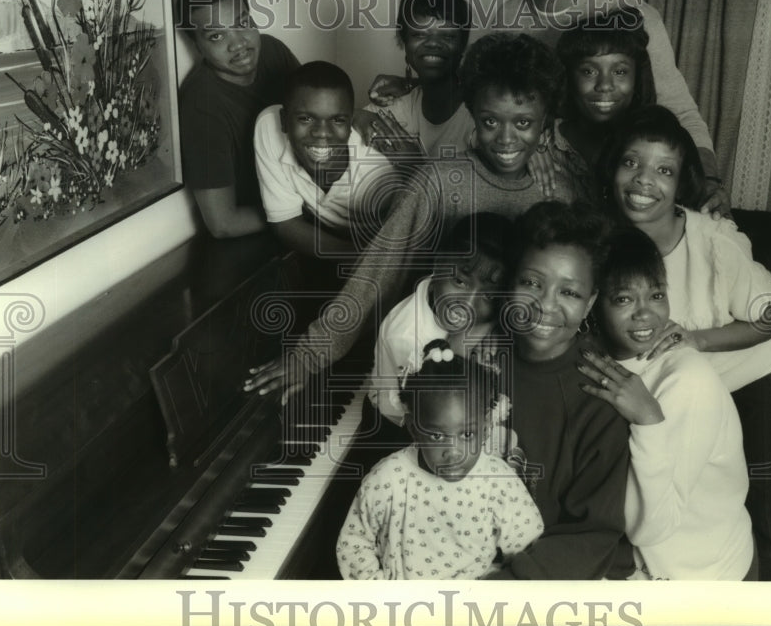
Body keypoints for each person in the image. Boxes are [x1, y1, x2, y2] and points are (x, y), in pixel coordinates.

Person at [243, 33, 578, 401]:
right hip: (444, 362)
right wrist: (309, 354)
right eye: (490, 121)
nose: (506, 138)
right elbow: (379, 267)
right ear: (472, 115)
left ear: (545, 123)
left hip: (528, 365)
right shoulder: (438, 180)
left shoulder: (559, 192)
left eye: (524, 124)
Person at [487, 0, 730, 217]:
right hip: (551, 187)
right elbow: (485, 106)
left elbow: (680, 112)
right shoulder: (503, 22)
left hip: (626, 188)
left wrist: (710, 180)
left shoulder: (633, 15)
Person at [577, 227, 756, 580]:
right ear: (593, 305)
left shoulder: (688, 380)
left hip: (705, 578)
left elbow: (652, 527)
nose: (646, 314)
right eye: (624, 299)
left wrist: (648, 420)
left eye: (656, 295)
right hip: (641, 559)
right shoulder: (599, 357)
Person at [598, 105, 771, 392]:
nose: (644, 179)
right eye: (631, 163)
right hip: (690, 371)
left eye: (664, 170)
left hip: (768, 353)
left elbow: (766, 322)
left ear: (681, 184)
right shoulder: (601, 237)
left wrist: (696, 339)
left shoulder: (714, 240)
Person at [482, 200, 633, 580]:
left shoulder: (603, 396)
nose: (545, 306)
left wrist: (501, 588)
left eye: (569, 293)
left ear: (590, 303)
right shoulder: (477, 354)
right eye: (532, 283)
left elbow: (592, 535)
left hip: (540, 576)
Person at [336, 339, 543, 580]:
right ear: (414, 428)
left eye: (467, 434)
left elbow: (529, 546)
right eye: (436, 435)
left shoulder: (497, 480)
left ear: (486, 427)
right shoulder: (387, 479)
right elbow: (353, 544)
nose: (453, 452)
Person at [369, 212, 511, 447]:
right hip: (403, 423)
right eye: (460, 282)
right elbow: (442, 401)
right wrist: (476, 331)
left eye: (488, 295)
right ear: (437, 264)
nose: (467, 304)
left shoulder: (441, 293)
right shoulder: (406, 336)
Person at [175, 0, 299, 238]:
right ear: (196, 45)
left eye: (243, 23)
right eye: (217, 36)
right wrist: (306, 206)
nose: (239, 43)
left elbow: (320, 112)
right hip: (263, 230)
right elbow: (223, 223)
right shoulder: (201, 105)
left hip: (307, 195)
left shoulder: (273, 51)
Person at [253, 60, 398, 257]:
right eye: (306, 118)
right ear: (284, 120)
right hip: (348, 254)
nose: (322, 133)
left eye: (337, 120)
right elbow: (285, 224)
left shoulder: (380, 167)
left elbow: (412, 235)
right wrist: (356, 257)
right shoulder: (268, 127)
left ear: (350, 122)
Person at [357, 0, 476, 158]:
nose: (433, 44)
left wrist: (416, 167)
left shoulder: (480, 111)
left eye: (447, 36)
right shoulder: (401, 104)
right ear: (403, 41)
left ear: (463, 46)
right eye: (419, 34)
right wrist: (356, 115)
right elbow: (332, 119)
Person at [548, 7, 658, 200]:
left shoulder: (657, 145)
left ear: (637, 78)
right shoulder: (540, 141)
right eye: (589, 72)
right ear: (569, 77)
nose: (605, 86)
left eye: (620, 72)